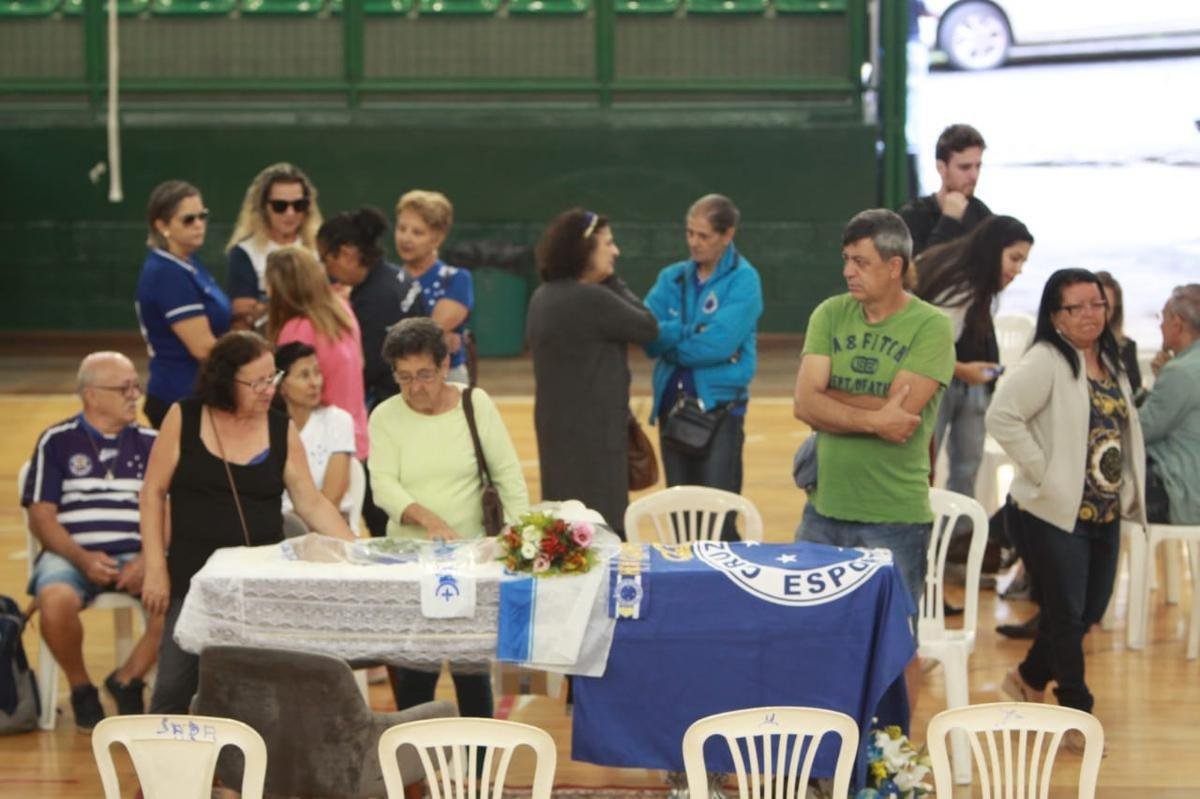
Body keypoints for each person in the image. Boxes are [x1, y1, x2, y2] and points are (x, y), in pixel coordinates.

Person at [139, 331, 355, 714]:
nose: (267, 389)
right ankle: (163, 768)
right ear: (224, 380)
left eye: (271, 378)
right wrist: (155, 567)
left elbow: (310, 501)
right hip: (193, 578)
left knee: (266, 692)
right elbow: (153, 493)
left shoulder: (279, 427)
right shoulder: (184, 417)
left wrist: (357, 551)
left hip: (262, 581)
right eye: (256, 382)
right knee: (173, 685)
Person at [793, 208, 955, 718]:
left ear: (894, 266)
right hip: (823, 509)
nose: (848, 272)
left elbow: (903, 418)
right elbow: (803, 403)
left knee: (895, 645)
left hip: (894, 517)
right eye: (846, 260)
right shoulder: (829, 314)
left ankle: (892, 763)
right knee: (808, 637)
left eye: (860, 262)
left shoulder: (931, 326)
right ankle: (821, 750)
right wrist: (872, 413)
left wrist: (834, 397)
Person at [987, 269, 1146, 751]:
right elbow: (1002, 416)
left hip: (1103, 510)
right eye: (1076, 308)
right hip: (1052, 512)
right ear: (1055, 316)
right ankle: (1077, 710)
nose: (1090, 315)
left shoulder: (1111, 357)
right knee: (1064, 612)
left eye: (1097, 304)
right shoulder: (1046, 360)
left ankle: (1030, 675)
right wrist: (1044, 470)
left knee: (1088, 610)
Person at [369, 318, 529, 720]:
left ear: (444, 367)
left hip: (470, 558)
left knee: (471, 673)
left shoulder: (476, 404)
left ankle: (477, 772)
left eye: (424, 374)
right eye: (404, 377)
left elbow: (509, 477)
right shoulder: (385, 416)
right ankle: (413, 774)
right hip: (409, 560)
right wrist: (429, 520)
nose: (415, 387)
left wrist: (516, 539)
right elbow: (384, 487)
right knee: (415, 674)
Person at [21, 352, 163, 731]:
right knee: (54, 599)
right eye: (124, 388)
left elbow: (171, 510)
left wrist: (150, 560)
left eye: (137, 385)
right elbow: (41, 515)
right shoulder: (57, 441)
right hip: (72, 555)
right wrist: (82, 559)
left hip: (139, 551)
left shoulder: (154, 442)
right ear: (91, 395)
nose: (135, 394)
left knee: (179, 598)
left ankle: (127, 679)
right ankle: (82, 689)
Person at [526, 209, 659, 538]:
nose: (616, 252)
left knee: (564, 529)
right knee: (605, 531)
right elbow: (647, 326)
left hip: (557, 432)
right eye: (608, 244)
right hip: (596, 439)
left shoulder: (543, 296)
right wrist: (611, 280)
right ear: (585, 251)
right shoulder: (591, 298)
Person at [643, 194, 763, 541]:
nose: (694, 242)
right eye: (690, 233)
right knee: (681, 518)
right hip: (672, 408)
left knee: (718, 519)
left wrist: (673, 341)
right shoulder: (673, 278)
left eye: (704, 235)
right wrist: (692, 331)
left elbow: (720, 344)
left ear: (727, 235)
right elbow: (648, 333)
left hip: (719, 411)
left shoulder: (744, 281)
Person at [916, 215, 1033, 515]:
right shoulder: (960, 283)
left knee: (963, 466)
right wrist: (964, 371)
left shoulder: (962, 271)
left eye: (1023, 261)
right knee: (926, 467)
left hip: (961, 382)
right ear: (994, 249)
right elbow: (929, 347)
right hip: (938, 383)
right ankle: (936, 542)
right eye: (1014, 258)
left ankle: (956, 542)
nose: (1018, 270)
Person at [135, 180, 232, 429]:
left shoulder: (187, 262)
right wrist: (253, 365)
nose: (199, 224)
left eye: (202, 216)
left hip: (197, 392)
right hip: (179, 395)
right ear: (162, 225)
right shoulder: (167, 273)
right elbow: (202, 348)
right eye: (188, 219)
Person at [265, 247, 368, 463]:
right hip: (358, 440)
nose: (267, 291)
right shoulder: (341, 310)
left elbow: (290, 392)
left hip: (321, 451)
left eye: (269, 284)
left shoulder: (296, 329)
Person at [318, 206, 426, 410]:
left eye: (325, 259)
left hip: (392, 408)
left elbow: (364, 370)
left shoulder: (373, 300)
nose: (325, 268)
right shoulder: (398, 277)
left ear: (346, 254)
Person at [225, 163, 324, 330]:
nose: (290, 213)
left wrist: (267, 305)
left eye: (299, 205)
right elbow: (242, 313)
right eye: (280, 206)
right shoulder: (246, 252)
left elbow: (341, 296)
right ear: (263, 207)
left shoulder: (320, 247)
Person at [394, 190, 474, 384]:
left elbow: (430, 330)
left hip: (446, 379)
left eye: (417, 232)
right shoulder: (388, 279)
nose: (406, 238)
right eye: (401, 228)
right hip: (395, 379)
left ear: (437, 238)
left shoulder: (456, 279)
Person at [274, 341, 355, 524]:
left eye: (317, 372)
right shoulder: (272, 427)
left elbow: (332, 499)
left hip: (330, 526)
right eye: (304, 375)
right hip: (282, 527)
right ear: (282, 386)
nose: (315, 382)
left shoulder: (337, 421)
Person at [1139, 284, 1200, 525]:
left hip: (1182, 484)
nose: (1160, 326)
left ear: (1177, 322)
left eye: (1162, 318)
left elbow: (1142, 430)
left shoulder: (1181, 372)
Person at [899, 123, 991, 256]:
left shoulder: (983, 217)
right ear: (941, 168)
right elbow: (920, 272)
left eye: (978, 166)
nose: (974, 175)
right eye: (964, 167)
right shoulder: (913, 215)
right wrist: (949, 220)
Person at [1095, 271, 1143, 393]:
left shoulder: (1125, 346)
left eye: (1106, 307)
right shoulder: (1066, 347)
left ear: (1115, 313)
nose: (1097, 313)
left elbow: (1134, 391)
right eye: (1095, 305)